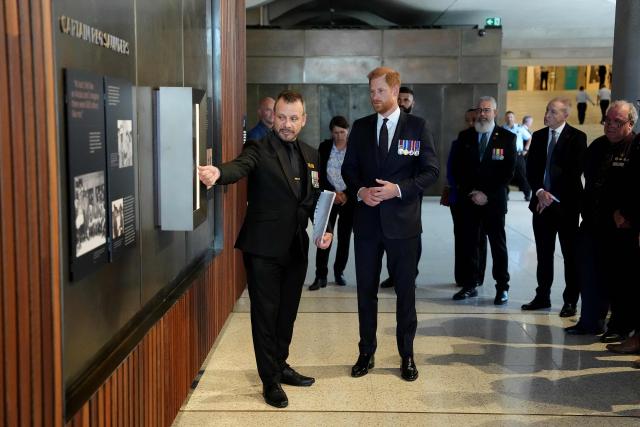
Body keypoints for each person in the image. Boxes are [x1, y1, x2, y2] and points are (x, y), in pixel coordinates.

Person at [197, 90, 332, 409]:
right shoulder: (258, 147)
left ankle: (281, 365)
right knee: (265, 315)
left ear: (304, 120)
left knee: (287, 315)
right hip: (262, 249)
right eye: (281, 117)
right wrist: (218, 173)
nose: (286, 124)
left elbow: (312, 201)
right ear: (273, 117)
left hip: (296, 249)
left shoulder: (312, 153)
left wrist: (324, 230)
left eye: (293, 118)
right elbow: (239, 167)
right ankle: (269, 380)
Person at [342, 66, 438, 382]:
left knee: (405, 293)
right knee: (365, 292)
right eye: (371, 92)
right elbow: (349, 169)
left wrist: (398, 189)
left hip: (403, 226)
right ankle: (366, 352)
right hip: (368, 226)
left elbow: (430, 171)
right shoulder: (361, 127)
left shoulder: (417, 127)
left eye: (380, 91)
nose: (374, 97)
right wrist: (361, 190)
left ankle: (407, 355)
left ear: (395, 91)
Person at [565, 100, 638, 341]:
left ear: (630, 123)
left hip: (621, 227)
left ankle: (620, 326)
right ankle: (590, 322)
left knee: (620, 280)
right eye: (608, 120)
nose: (611, 125)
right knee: (589, 274)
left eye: (618, 121)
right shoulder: (597, 146)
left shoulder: (636, 147)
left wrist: (626, 213)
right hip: (592, 223)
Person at [521, 97, 587, 317]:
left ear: (565, 115)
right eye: (547, 110)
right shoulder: (538, 137)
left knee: (570, 255)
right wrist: (540, 192)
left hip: (566, 206)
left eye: (553, 112)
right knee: (543, 253)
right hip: (541, 205)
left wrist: (551, 196)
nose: (547, 115)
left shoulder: (577, 137)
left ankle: (570, 301)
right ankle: (542, 296)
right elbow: (530, 170)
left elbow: (574, 172)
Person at [450, 96, 516, 305]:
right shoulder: (465, 136)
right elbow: (458, 169)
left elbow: (508, 172)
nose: (482, 114)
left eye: (487, 110)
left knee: (498, 245)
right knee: (469, 244)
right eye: (479, 110)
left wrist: (485, 193)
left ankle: (502, 287)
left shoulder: (507, 138)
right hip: (469, 201)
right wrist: (472, 192)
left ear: (495, 112)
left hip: (494, 202)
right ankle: (470, 285)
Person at [441, 108, 487, 288]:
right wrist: (462, 189)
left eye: (474, 119)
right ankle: (462, 276)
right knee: (461, 238)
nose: (471, 123)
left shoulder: (487, 144)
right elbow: (451, 169)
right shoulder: (459, 141)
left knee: (479, 239)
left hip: (481, 199)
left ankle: (476, 276)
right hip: (460, 198)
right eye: (468, 120)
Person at [379, 85, 420, 289]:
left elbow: (427, 168)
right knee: (386, 238)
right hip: (381, 199)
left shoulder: (417, 127)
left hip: (408, 198)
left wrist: (401, 189)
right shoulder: (380, 126)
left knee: (409, 241)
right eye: (401, 99)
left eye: (407, 100)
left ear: (412, 103)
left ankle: (409, 273)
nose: (403, 103)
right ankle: (393, 274)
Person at [310, 116, 354, 290]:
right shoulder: (325, 147)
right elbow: (319, 173)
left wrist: (346, 194)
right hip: (329, 197)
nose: (339, 136)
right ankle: (320, 275)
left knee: (344, 238)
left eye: (342, 132)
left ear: (347, 131)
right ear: (331, 132)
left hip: (348, 200)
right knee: (324, 235)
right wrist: (333, 193)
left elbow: (358, 173)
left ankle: (339, 272)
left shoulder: (354, 148)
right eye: (335, 132)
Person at [502, 111, 532, 201]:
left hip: (518, 155)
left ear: (514, 118)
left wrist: (526, 149)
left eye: (511, 117)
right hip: (506, 156)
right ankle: (505, 194)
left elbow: (529, 138)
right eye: (508, 117)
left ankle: (527, 194)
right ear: (505, 118)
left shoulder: (520, 128)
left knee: (522, 175)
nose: (509, 118)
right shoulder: (502, 129)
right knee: (505, 175)